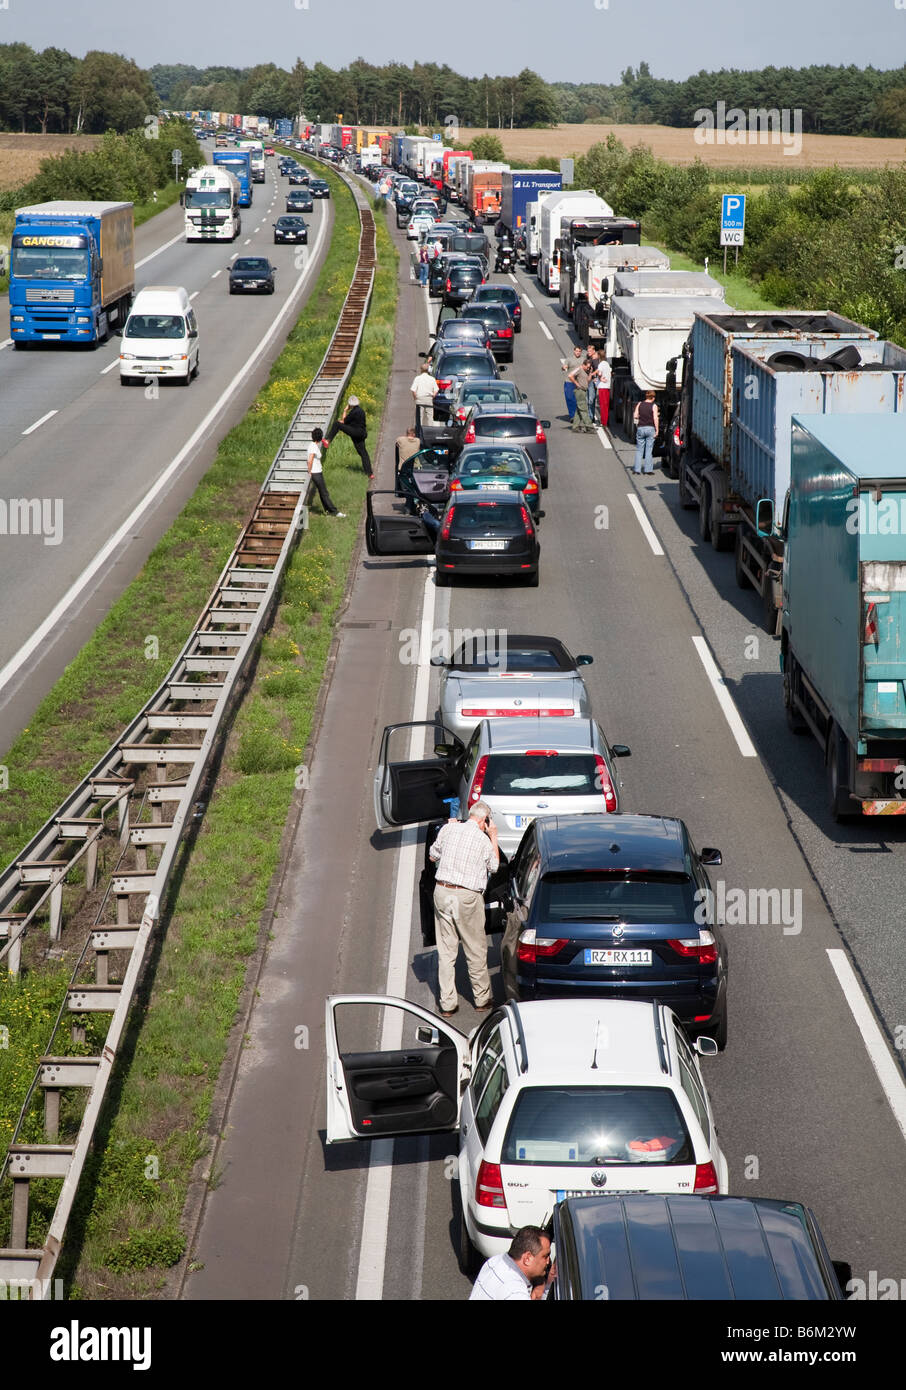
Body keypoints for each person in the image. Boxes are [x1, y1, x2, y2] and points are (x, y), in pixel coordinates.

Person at [429, 801, 498, 1016]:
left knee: (446, 951)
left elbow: (433, 855)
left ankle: (447, 1004)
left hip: (442, 891)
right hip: (467, 896)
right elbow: (495, 867)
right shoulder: (483, 840)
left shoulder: (449, 829)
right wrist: (493, 836)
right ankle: (481, 999)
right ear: (484, 821)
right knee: (475, 948)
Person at [469, 1227, 555, 1301]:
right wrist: (546, 1291)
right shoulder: (515, 1293)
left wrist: (541, 1283)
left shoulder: (496, 1261)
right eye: (545, 1256)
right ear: (527, 1258)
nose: (548, 1261)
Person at [324, 395, 372, 479]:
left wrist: (345, 410)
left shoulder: (353, 412)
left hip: (355, 432)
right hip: (362, 433)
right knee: (363, 453)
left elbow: (344, 421)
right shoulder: (361, 411)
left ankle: (328, 441)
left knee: (336, 424)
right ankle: (370, 473)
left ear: (350, 404)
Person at [306, 427, 345, 517]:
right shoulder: (313, 447)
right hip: (316, 473)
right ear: (319, 437)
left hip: (317, 472)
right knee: (324, 493)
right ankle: (334, 512)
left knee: (322, 492)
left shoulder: (312, 445)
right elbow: (310, 460)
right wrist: (309, 471)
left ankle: (328, 510)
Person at [410, 361, 439, 439]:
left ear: (421, 370)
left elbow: (413, 390)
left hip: (419, 399)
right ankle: (430, 432)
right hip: (428, 398)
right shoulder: (432, 379)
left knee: (419, 417)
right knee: (430, 416)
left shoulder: (418, 378)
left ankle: (420, 433)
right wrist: (433, 396)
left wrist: (415, 397)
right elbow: (436, 390)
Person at [633, 390, 659, 474]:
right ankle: (648, 470)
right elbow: (655, 418)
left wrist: (640, 418)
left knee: (639, 450)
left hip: (641, 428)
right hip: (650, 428)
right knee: (648, 450)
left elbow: (635, 416)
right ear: (653, 398)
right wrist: (657, 430)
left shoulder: (640, 404)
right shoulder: (654, 406)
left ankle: (637, 469)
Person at [568, 355, 594, 433]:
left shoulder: (587, 371)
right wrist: (576, 383)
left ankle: (575, 426)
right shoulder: (579, 369)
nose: (588, 368)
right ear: (583, 365)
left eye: (589, 367)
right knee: (583, 409)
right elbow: (570, 375)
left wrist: (590, 373)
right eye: (587, 367)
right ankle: (589, 426)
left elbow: (588, 381)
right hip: (579, 390)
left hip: (584, 390)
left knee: (579, 409)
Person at [561, 346, 582, 423]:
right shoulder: (569, 359)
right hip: (569, 382)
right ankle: (572, 416)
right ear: (574, 351)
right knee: (570, 398)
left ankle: (580, 415)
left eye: (579, 351)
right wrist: (564, 367)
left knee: (579, 399)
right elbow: (563, 367)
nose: (578, 352)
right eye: (576, 351)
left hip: (579, 382)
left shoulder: (583, 360)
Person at [596, 353, 612, 429]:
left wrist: (599, 378)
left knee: (602, 405)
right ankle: (606, 420)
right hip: (608, 386)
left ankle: (603, 422)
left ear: (599, 356)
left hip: (602, 386)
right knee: (606, 404)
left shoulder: (601, 364)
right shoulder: (607, 364)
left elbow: (599, 373)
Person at [585, 346, 601, 424]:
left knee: (591, 400)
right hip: (587, 380)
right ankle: (590, 416)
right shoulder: (589, 357)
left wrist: (592, 375)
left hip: (592, 381)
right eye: (588, 351)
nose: (588, 353)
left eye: (590, 351)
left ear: (594, 351)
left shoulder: (595, 359)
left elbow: (598, 369)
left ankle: (591, 417)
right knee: (588, 399)